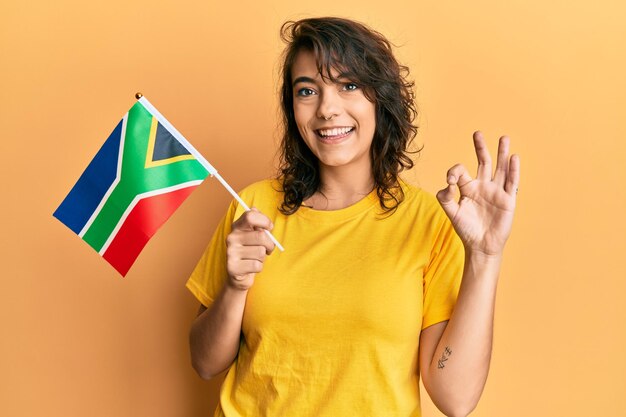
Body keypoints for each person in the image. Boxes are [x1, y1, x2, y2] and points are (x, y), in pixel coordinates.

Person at [187, 17, 520, 417]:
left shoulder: (427, 221)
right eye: (307, 90)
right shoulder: (254, 208)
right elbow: (205, 363)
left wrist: (485, 256)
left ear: (381, 98)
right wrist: (235, 286)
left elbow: (456, 398)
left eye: (348, 85)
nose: (327, 109)